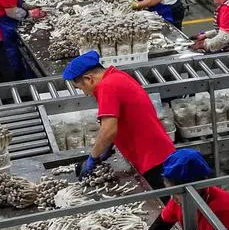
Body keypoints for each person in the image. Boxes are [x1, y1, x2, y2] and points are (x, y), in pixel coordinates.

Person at [63, 51, 176, 189]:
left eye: (81, 88)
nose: (85, 93)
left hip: (151, 160)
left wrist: (92, 158)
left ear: (89, 79)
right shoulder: (117, 76)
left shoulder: (106, 86)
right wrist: (108, 145)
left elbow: (108, 129)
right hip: (158, 153)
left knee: (162, 202)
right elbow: (125, 116)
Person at [139, 150, 229, 230]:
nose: (173, 199)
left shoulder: (220, 211)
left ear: (196, 188)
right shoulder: (180, 198)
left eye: (176, 193)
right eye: (171, 192)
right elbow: (161, 226)